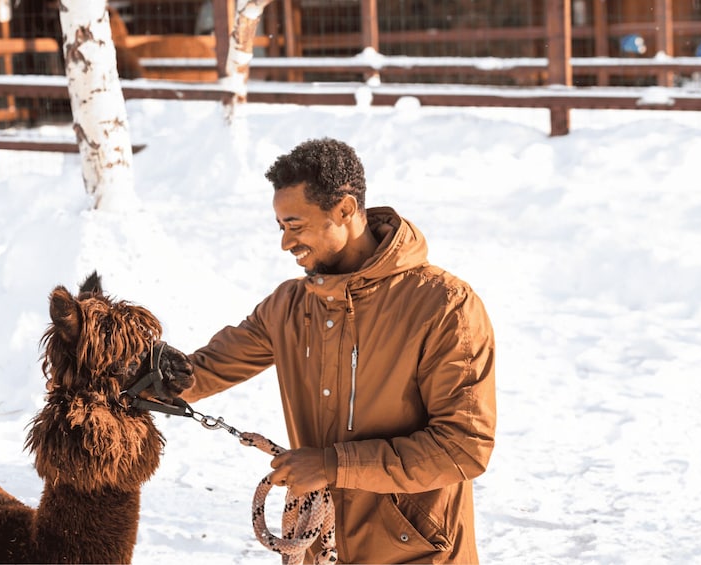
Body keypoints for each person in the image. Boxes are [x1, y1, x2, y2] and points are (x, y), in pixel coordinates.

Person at [180, 137, 496, 564]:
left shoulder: (443, 306)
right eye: (281, 228)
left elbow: (463, 446)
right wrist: (117, 370)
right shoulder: (288, 306)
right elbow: (199, 372)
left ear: (345, 210)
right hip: (320, 551)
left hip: (418, 554)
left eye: (296, 225)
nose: (286, 243)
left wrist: (333, 465)